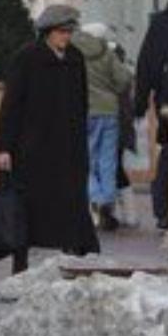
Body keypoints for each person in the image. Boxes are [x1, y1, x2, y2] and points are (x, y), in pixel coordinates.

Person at [0, 5, 100, 272]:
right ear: (47, 33)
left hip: (68, 146)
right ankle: (20, 262)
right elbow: (11, 105)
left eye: (69, 31)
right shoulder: (27, 57)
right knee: (28, 206)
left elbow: (82, 102)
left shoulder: (75, 58)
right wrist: (4, 147)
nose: (66, 36)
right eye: (62, 32)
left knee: (71, 201)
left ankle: (74, 256)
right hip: (33, 148)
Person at [74, 22, 134, 230]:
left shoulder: (72, 53)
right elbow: (124, 79)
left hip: (82, 112)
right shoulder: (107, 53)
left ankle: (96, 196)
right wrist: (111, 89)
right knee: (107, 159)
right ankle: (107, 198)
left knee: (84, 159)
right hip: (109, 111)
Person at [134, 0, 168, 230]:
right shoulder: (162, 24)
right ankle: (164, 209)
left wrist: (141, 101)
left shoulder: (160, 24)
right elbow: (148, 64)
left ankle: (163, 210)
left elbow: (146, 64)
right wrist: (140, 102)